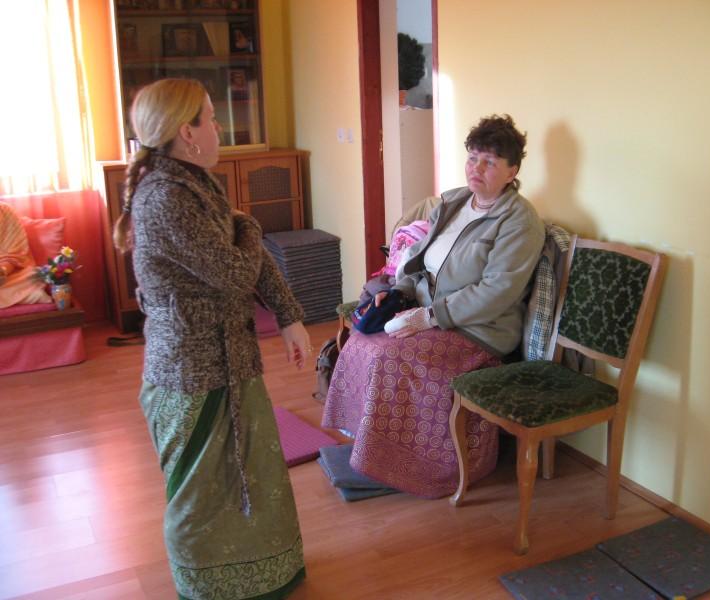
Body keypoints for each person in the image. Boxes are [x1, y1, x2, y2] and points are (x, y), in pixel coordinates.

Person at [112, 78, 311, 600]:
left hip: (229, 361)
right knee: (203, 494)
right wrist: (251, 226)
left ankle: (260, 576)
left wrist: (289, 316)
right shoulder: (165, 198)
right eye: (212, 117)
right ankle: (209, 586)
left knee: (251, 476)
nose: (220, 127)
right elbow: (236, 270)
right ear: (187, 132)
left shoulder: (195, 183)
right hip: (192, 373)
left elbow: (249, 259)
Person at [322, 114, 545, 498]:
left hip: (477, 330)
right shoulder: (454, 202)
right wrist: (398, 292)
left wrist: (430, 316)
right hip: (426, 311)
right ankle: (367, 447)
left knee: (392, 356)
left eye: (490, 162)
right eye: (473, 158)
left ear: (513, 171)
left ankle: (419, 465)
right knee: (364, 338)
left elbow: (498, 291)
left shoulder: (518, 221)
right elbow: (420, 259)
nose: (477, 168)